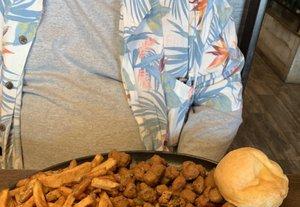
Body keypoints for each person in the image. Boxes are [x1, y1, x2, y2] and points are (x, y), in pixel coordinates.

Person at [0, 0, 244, 170]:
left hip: (145, 199)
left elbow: (221, 102)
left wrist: (183, 178)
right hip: (24, 189)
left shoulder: (197, 5)